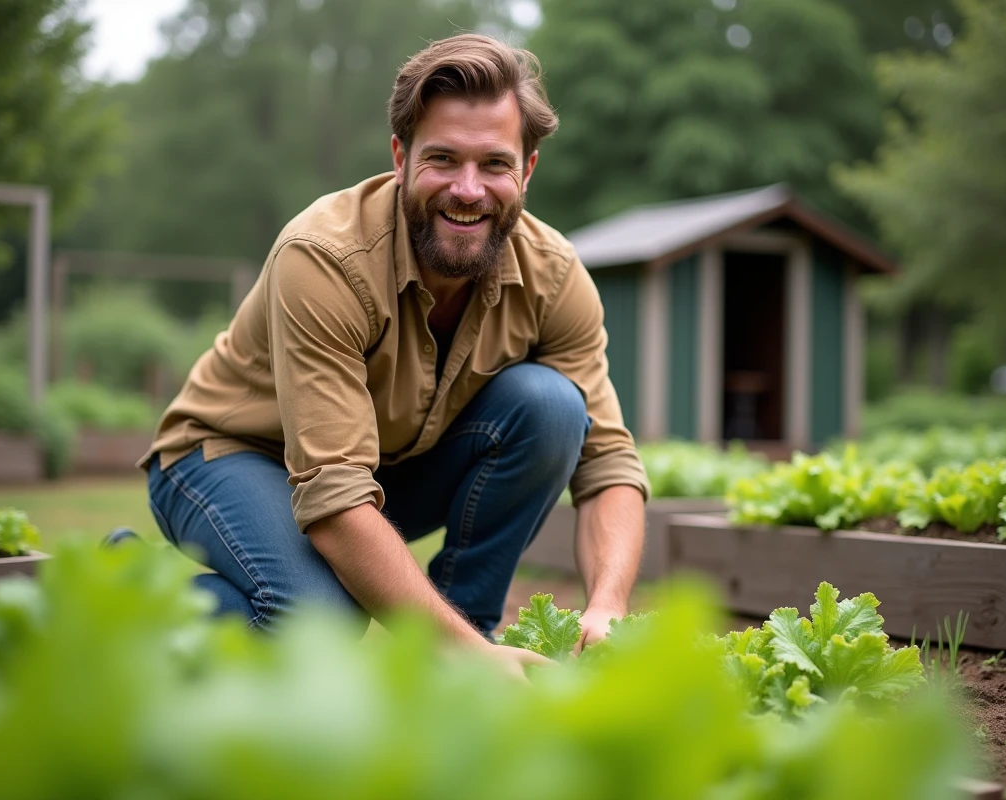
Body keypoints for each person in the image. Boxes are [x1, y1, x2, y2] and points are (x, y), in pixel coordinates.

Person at [138, 33, 650, 677]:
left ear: (527, 170)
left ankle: (461, 652)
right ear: (401, 157)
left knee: (551, 407)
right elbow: (334, 500)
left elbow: (608, 463)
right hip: (226, 456)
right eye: (443, 159)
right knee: (319, 618)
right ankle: (132, 594)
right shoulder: (325, 257)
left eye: (494, 163)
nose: (468, 190)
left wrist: (607, 608)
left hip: (378, 468)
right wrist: (470, 658)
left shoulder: (554, 274)